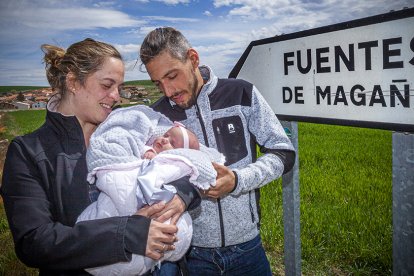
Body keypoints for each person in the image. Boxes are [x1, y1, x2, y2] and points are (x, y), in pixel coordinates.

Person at [0, 38, 200, 275]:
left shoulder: (128, 130)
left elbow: (185, 161)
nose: (116, 96)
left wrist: (183, 194)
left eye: (119, 87)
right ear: (73, 82)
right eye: (107, 85)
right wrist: (126, 234)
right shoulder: (29, 152)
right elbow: (34, 242)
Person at [139, 27, 296, 275]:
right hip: (192, 255)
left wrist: (237, 180)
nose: (168, 91)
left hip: (248, 248)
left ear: (192, 58)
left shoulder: (241, 93)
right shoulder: (157, 116)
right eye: (158, 83)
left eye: (172, 76)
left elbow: (283, 153)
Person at [77, 105, 224, 275]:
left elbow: (179, 174)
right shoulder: (147, 146)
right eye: (166, 135)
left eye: (172, 142)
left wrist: (182, 192)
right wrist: (147, 153)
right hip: (128, 214)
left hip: (156, 209)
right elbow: (134, 156)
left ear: (181, 152)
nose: (164, 140)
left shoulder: (175, 161)